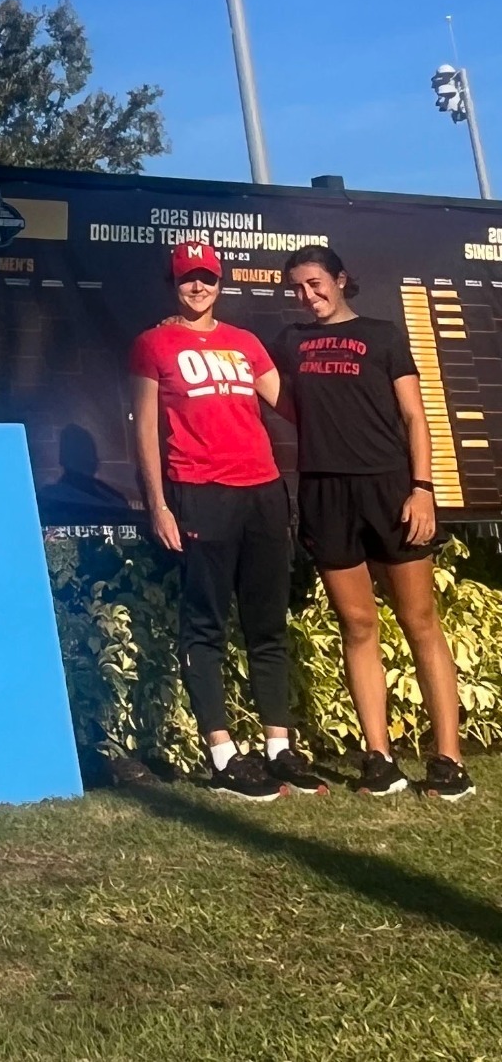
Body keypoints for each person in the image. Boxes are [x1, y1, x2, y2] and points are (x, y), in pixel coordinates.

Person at [272, 245, 474, 800]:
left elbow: (415, 415)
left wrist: (423, 489)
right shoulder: (290, 341)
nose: (307, 296)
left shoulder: (383, 335)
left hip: (390, 490)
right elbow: (271, 390)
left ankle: (449, 762)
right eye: (297, 288)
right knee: (357, 626)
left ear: (341, 280)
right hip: (323, 492)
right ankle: (379, 759)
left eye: (315, 283)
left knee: (420, 621)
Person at [130, 240, 326, 799]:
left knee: (267, 625)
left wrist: (345, 391)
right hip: (200, 493)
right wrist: (159, 505)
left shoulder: (245, 343)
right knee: (206, 626)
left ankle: (279, 748)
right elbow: (144, 428)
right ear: (174, 282)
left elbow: (290, 404)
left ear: (221, 283)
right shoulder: (152, 344)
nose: (199, 287)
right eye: (189, 278)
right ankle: (221, 753)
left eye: (208, 278)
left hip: (263, 491)